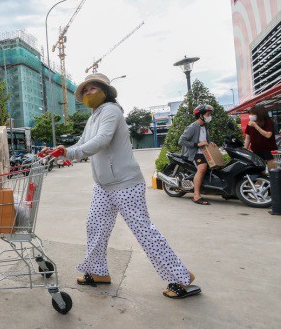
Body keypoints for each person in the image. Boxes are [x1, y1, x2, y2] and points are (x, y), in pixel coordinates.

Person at [44, 73, 200, 299]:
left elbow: (101, 141)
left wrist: (70, 152)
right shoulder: (92, 117)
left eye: (93, 88)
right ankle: (97, 272)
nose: (88, 93)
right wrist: (59, 153)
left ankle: (181, 278)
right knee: (95, 227)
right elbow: (83, 143)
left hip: (125, 184)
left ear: (105, 92)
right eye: (85, 90)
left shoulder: (111, 111)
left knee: (143, 231)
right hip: (103, 186)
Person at [178, 105, 216, 205]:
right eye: (208, 114)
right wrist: (197, 144)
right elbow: (181, 141)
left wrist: (210, 142)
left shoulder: (205, 126)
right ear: (200, 115)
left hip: (205, 152)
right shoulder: (192, 127)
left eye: (210, 114)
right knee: (202, 168)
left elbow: (205, 139)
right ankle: (196, 196)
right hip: (195, 153)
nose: (209, 116)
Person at [244, 104, 277, 170]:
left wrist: (256, 126)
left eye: (253, 114)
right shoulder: (250, 123)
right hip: (256, 151)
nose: (251, 116)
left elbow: (268, 135)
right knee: (260, 173)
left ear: (259, 114)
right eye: (251, 114)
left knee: (273, 172)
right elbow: (248, 138)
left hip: (269, 150)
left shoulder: (268, 122)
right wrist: (245, 149)